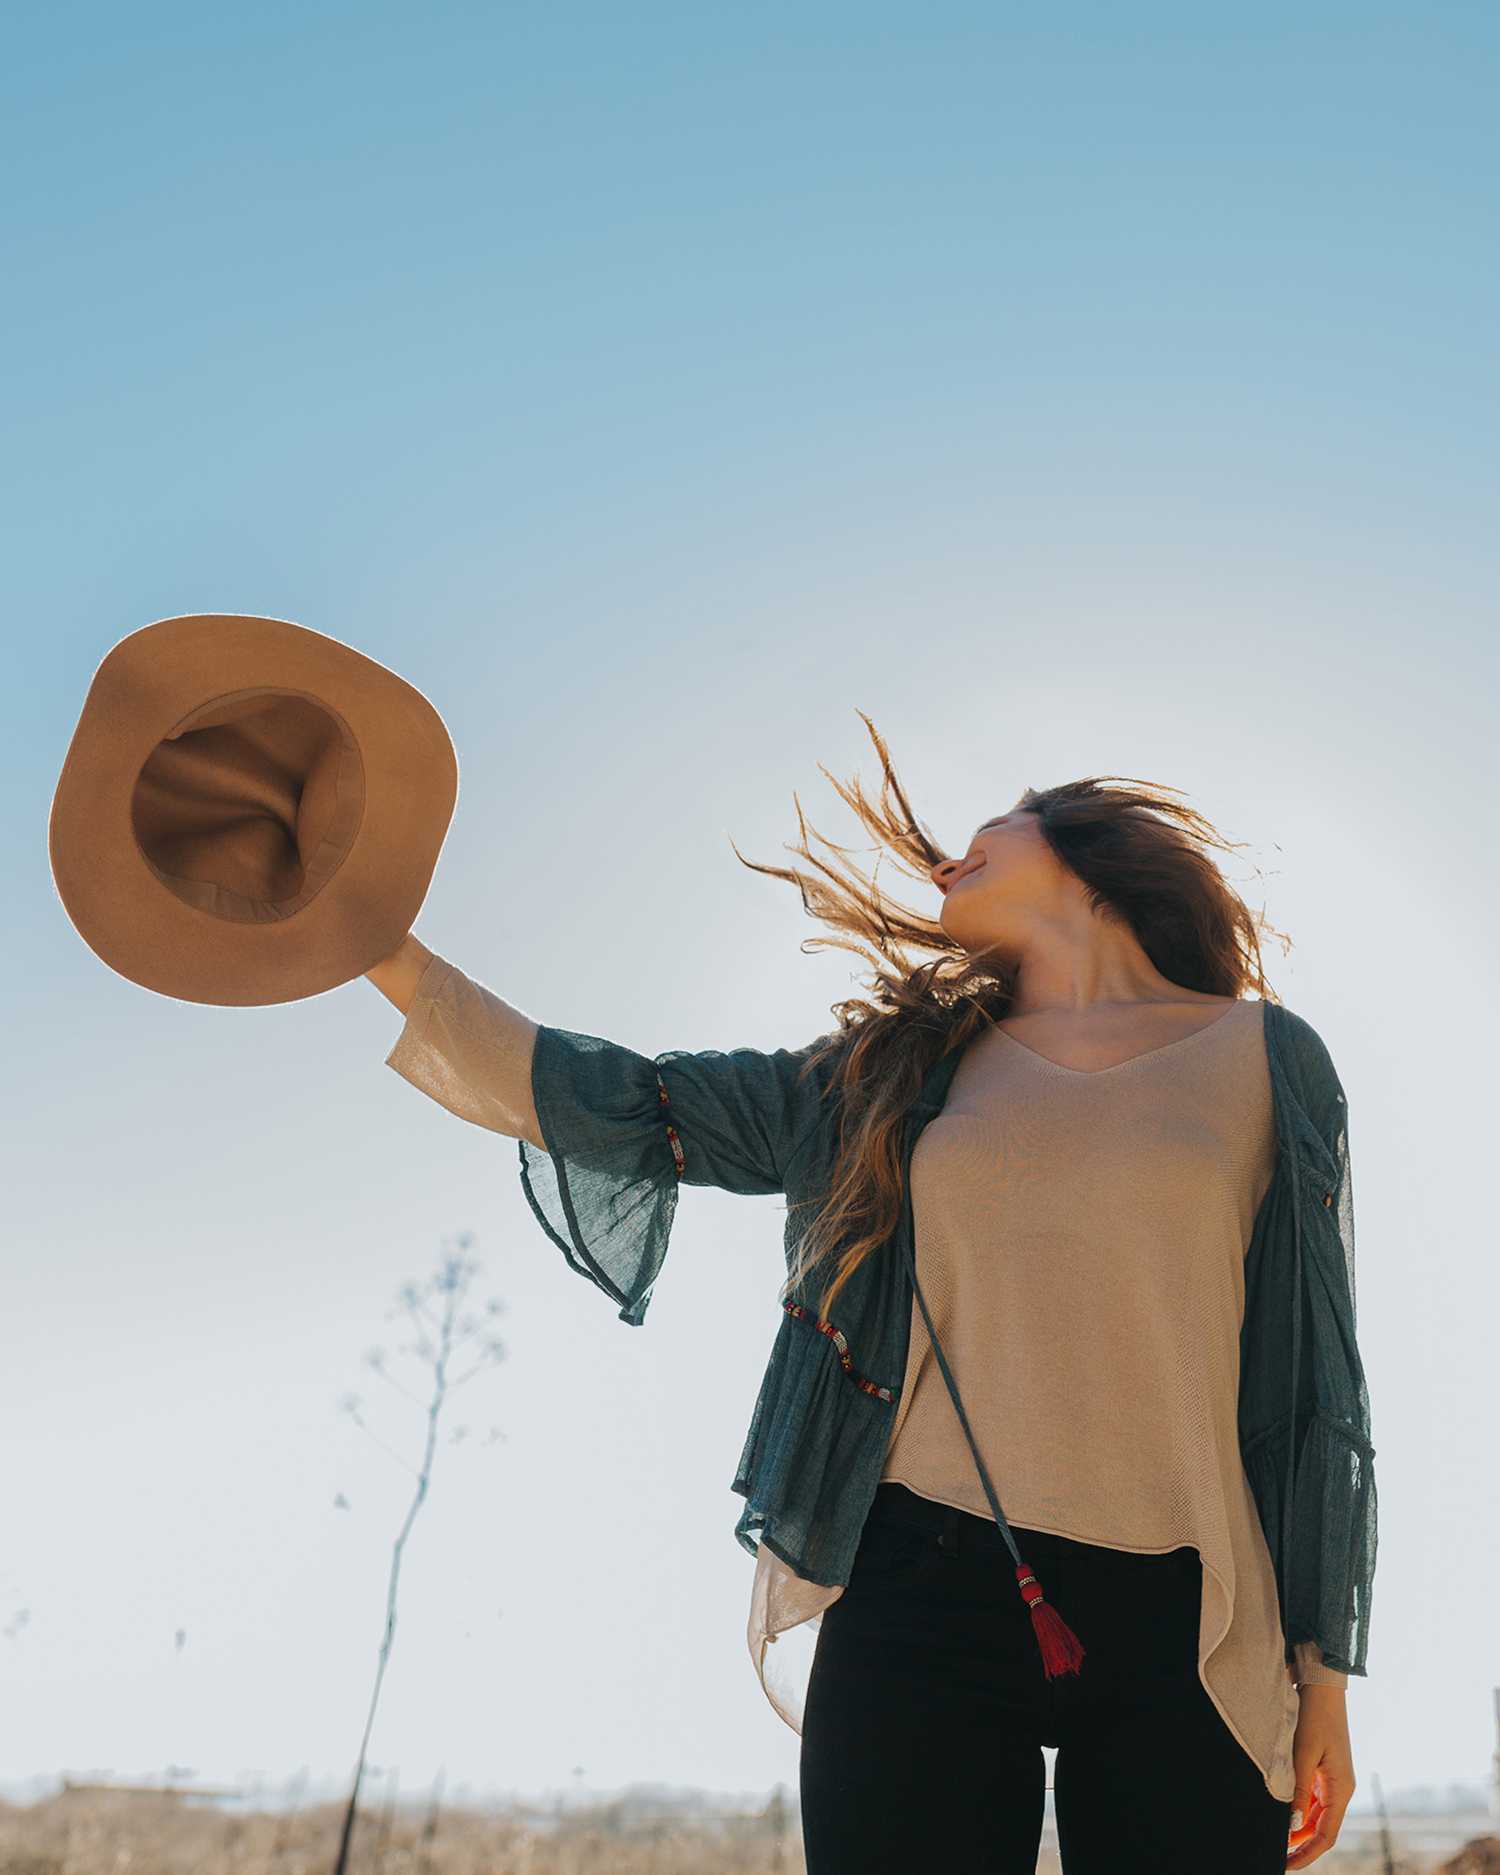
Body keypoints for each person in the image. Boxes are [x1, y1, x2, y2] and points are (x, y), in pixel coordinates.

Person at [367, 752, 1369, 1874]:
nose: (950, 855)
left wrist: (1321, 1675)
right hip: (920, 1578)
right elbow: (631, 1103)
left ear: (1095, 859)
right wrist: (375, 950)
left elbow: (1313, 1379)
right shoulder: (889, 1072)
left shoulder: (1268, 1060)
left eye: (994, 827)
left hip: (1192, 1611)